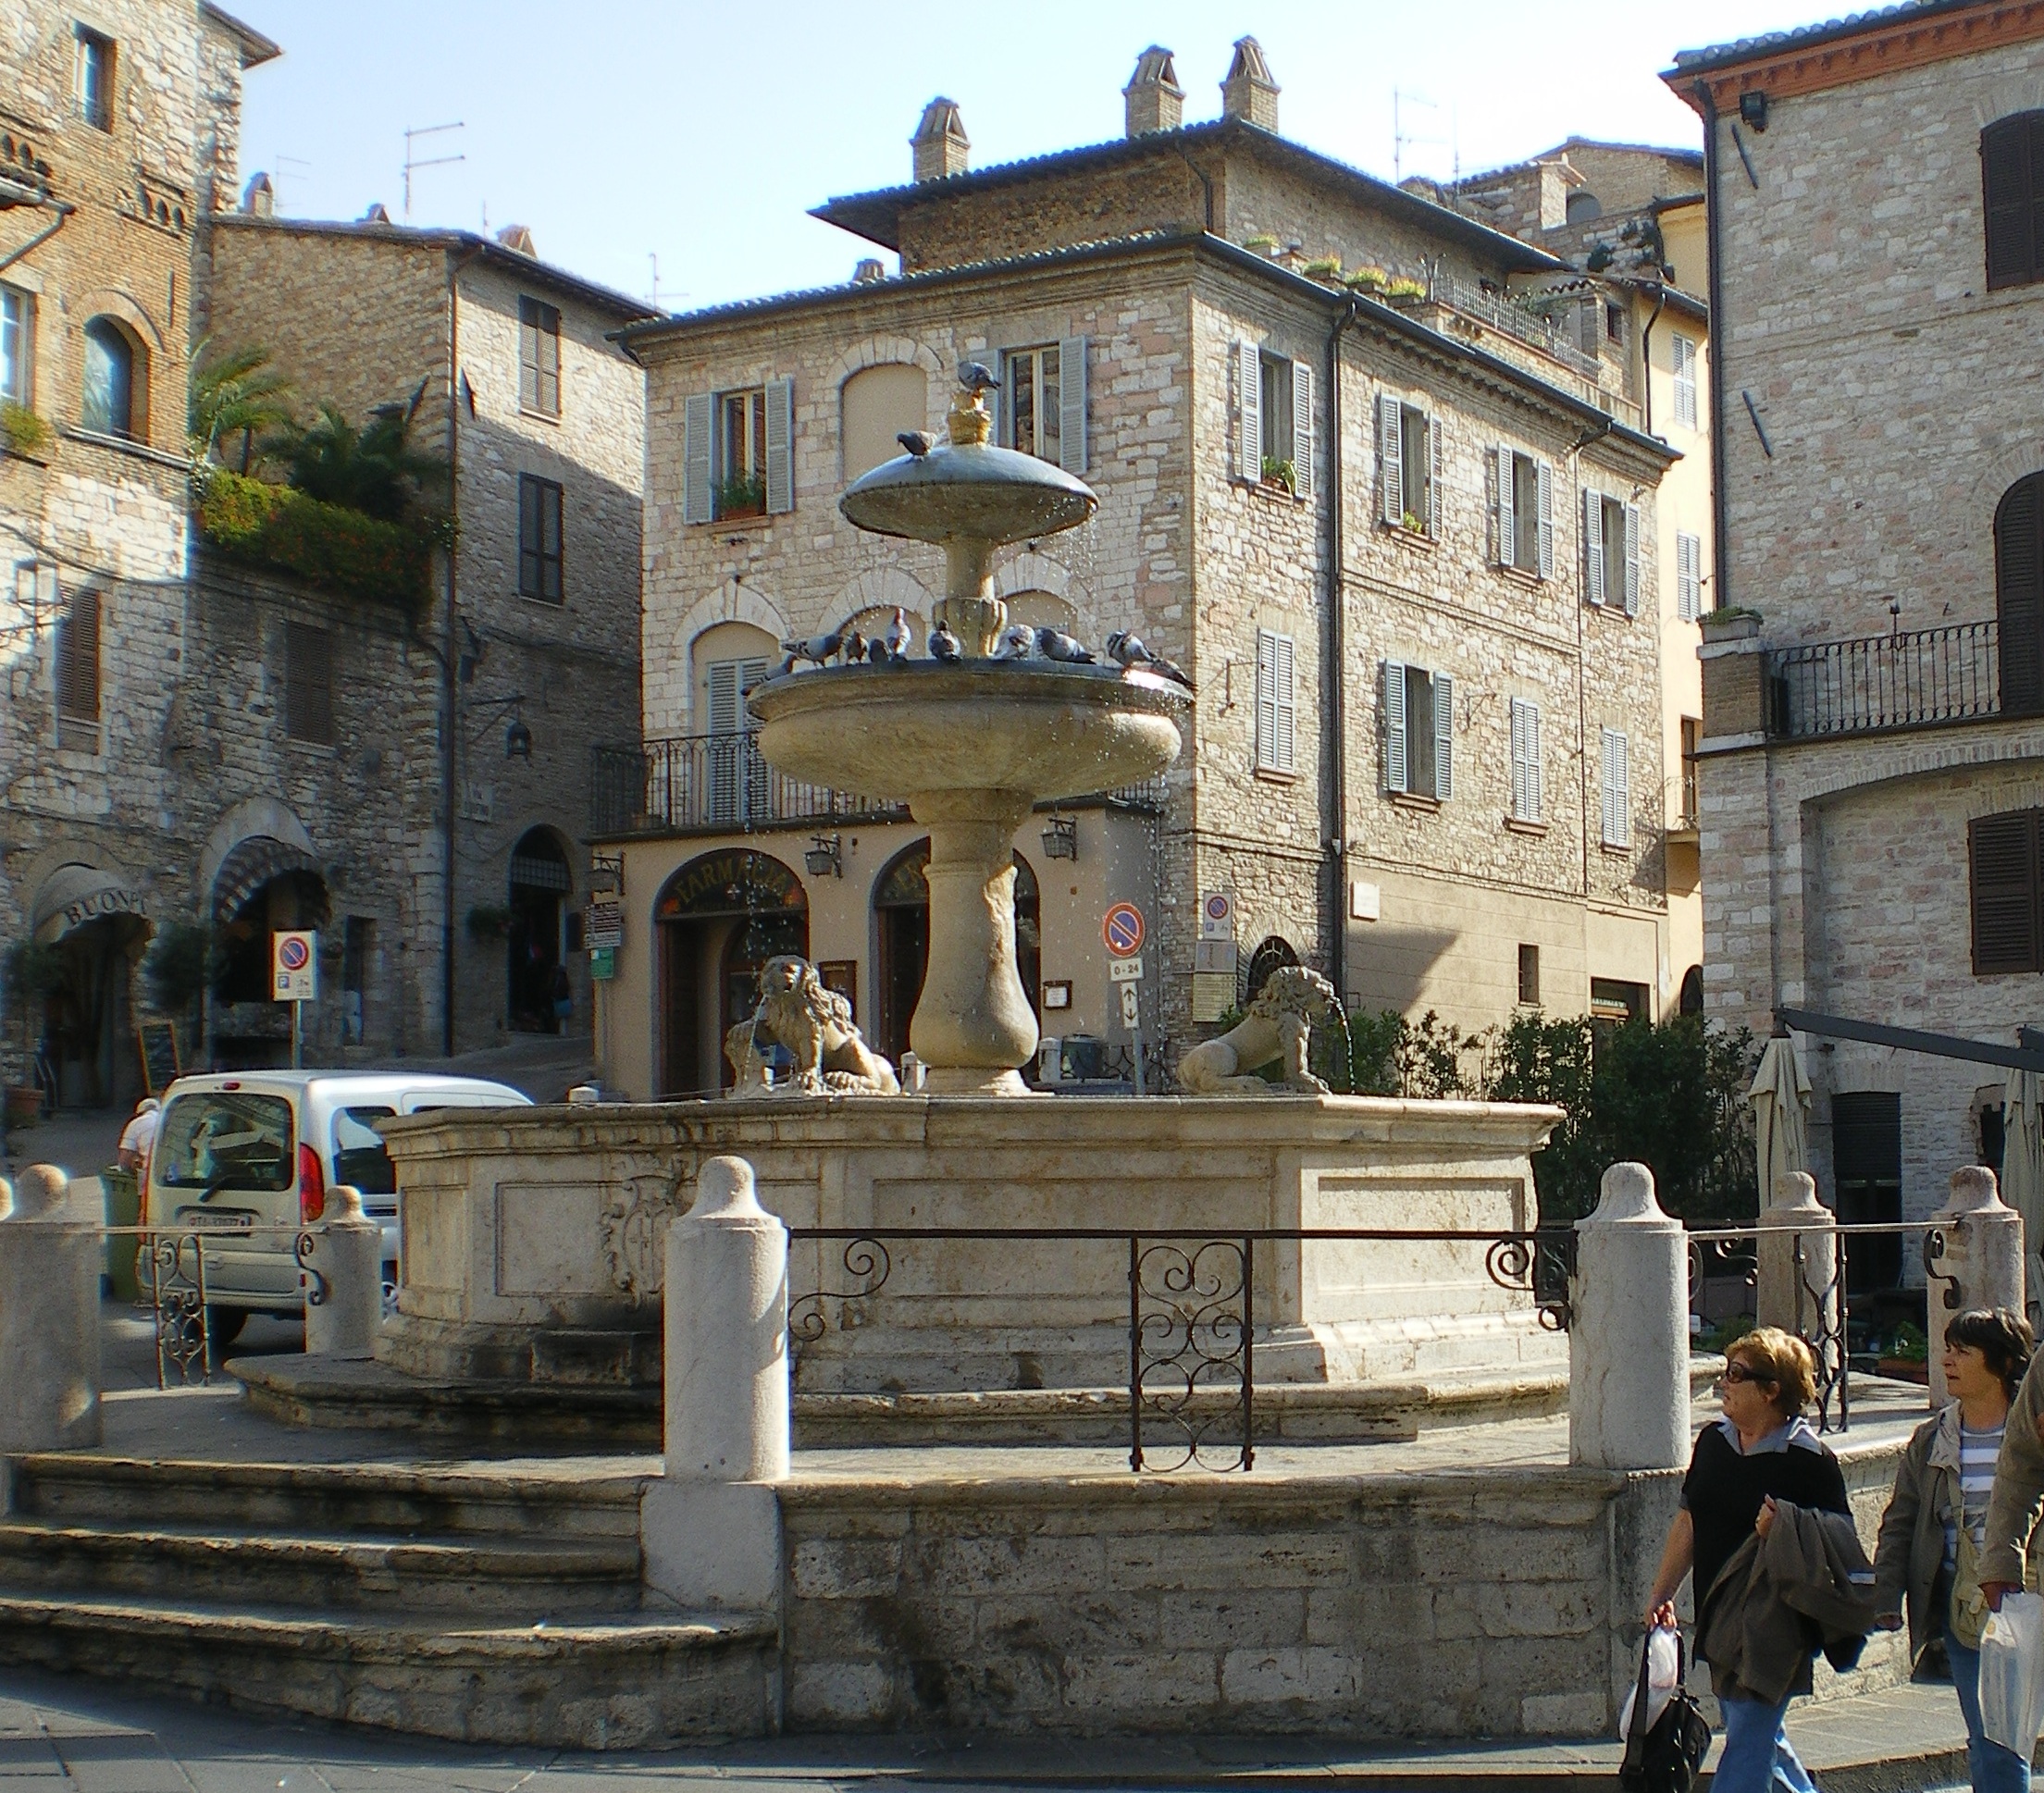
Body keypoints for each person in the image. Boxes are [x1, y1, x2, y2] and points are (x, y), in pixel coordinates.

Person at [1646, 1326, 1852, 1793]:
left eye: (1737, 1374)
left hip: (1776, 1625)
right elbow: (1688, 1521)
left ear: (1771, 1389)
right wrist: (1662, 1593)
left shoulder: (1809, 1459)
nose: (1724, 1383)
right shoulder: (1714, 1444)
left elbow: (1840, 1543)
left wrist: (1786, 1527)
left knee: (1748, 1743)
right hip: (1720, 1620)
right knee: (1759, 1736)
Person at [1877, 1308, 2035, 1793]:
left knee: (2003, 1740)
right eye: (1947, 1349)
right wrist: (1885, 1595)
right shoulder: (1933, 1438)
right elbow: (1900, 1522)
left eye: (1963, 1351)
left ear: (2002, 1363)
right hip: (1964, 1609)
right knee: (1989, 1738)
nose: (1947, 1361)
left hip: (2027, 1604)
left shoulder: (2031, 1432)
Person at [116, 1095, 160, 1181]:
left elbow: (125, 1159)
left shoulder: (136, 1123)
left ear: (138, 1113)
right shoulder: (168, 1120)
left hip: (150, 1173)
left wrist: (129, 1172)